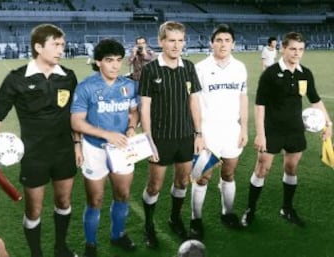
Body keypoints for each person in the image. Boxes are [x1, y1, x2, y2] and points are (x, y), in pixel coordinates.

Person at [0, 24, 79, 257]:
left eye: (62, 44)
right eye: (56, 44)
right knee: (34, 210)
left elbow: (75, 115)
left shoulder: (68, 77)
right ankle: (36, 253)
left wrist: (77, 143)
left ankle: (61, 248)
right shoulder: (16, 79)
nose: (61, 49)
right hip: (34, 156)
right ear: (38, 47)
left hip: (64, 152)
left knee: (64, 202)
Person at [240, 32, 333, 228]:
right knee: (262, 169)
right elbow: (260, 105)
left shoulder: (305, 73)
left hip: (295, 129)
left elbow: (315, 100)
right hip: (272, 130)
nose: (297, 53)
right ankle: (250, 209)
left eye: (300, 49)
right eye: (292, 49)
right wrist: (260, 133)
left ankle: (287, 208)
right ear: (283, 48)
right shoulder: (271, 73)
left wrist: (328, 124)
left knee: (291, 168)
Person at [70, 39, 139, 257]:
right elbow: (76, 122)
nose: (115, 66)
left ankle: (117, 235)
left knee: (123, 194)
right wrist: (106, 135)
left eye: (119, 60)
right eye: (109, 61)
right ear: (98, 62)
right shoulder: (86, 87)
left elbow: (133, 112)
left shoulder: (128, 85)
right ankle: (91, 244)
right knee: (95, 200)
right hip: (95, 150)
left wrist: (130, 127)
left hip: (121, 149)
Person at [139, 21, 205, 248]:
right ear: (161, 42)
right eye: (171, 40)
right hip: (160, 138)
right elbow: (144, 107)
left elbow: (194, 101)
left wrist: (198, 133)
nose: (176, 45)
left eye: (180, 40)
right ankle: (148, 225)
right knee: (154, 186)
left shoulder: (188, 67)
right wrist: (148, 139)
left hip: (186, 135)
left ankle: (174, 219)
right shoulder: (150, 70)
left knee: (182, 182)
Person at [190, 23, 248, 240]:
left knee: (229, 173)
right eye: (219, 40)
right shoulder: (200, 68)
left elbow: (243, 98)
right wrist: (198, 133)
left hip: (231, 130)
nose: (223, 44)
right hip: (208, 131)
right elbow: (193, 102)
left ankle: (228, 213)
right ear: (211, 43)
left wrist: (244, 127)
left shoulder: (240, 67)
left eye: (227, 40)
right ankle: (196, 219)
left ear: (233, 44)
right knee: (202, 177)